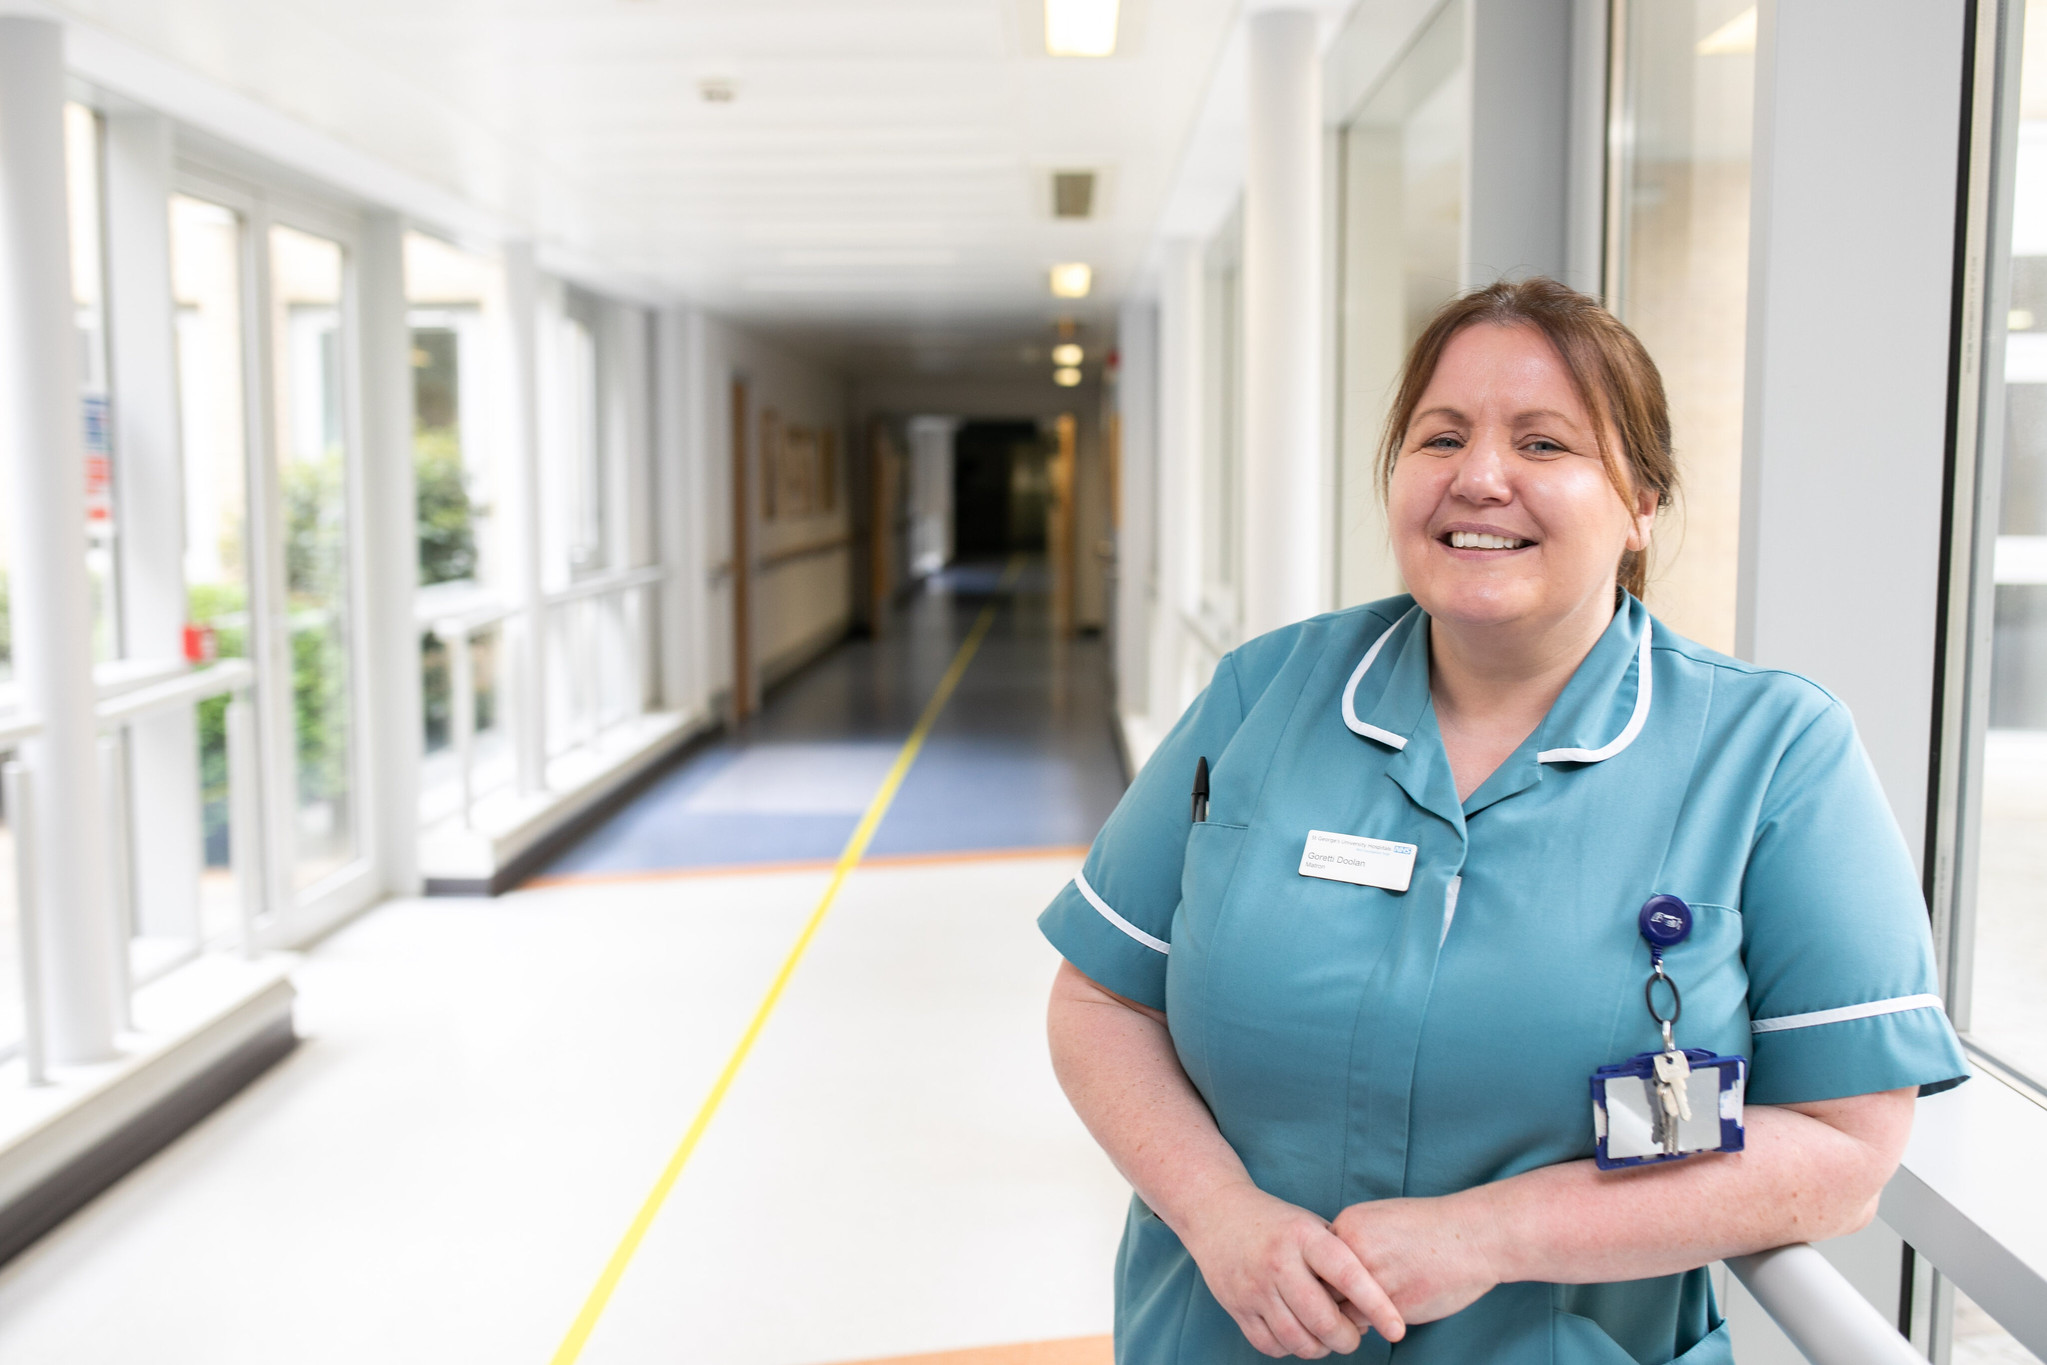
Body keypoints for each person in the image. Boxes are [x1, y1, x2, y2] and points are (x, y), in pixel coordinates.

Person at [1039, 277, 1967, 1364]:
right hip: (1225, 1333)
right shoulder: (1265, 695)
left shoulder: (1770, 753)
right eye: (1440, 438)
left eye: (1543, 444)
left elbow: (1842, 1149)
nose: (1479, 479)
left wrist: (1491, 1236)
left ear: (1640, 504)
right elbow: (1102, 1000)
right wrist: (1219, 1217)